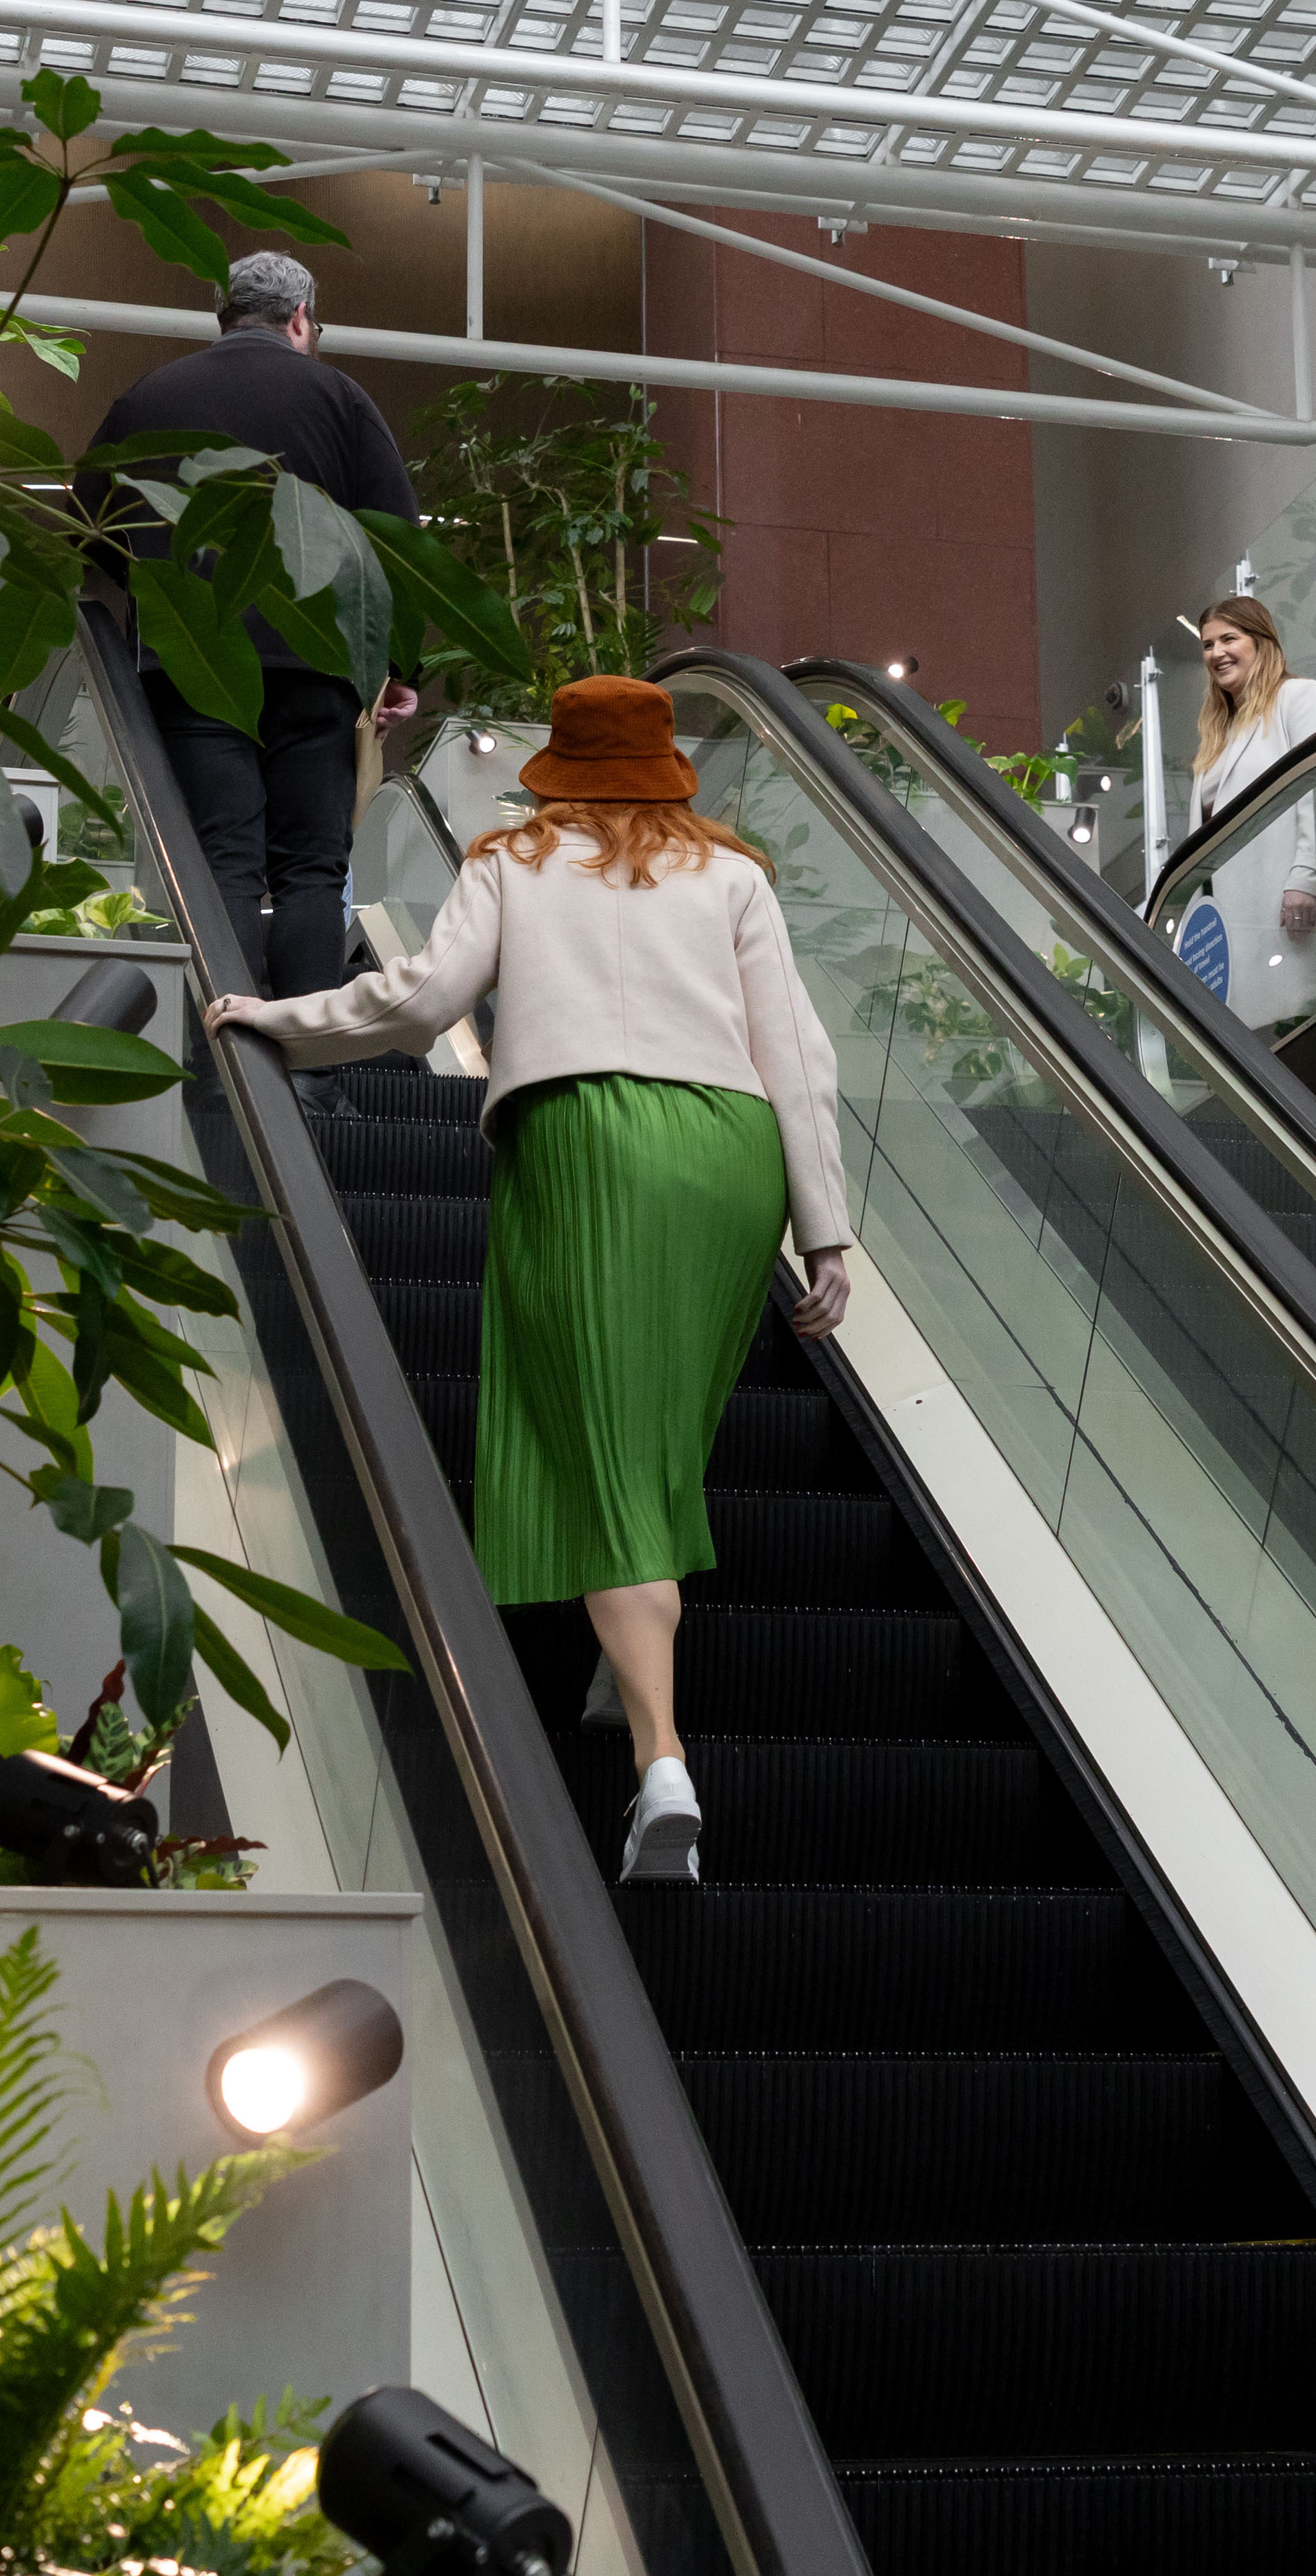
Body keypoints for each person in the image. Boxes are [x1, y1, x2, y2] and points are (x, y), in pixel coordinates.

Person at [214, 677, 849, 1887]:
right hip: (729, 1152)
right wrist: (823, 1231)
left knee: (602, 1433)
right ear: (668, 766)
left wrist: (278, 1019)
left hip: (583, 1138)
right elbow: (797, 1057)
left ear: (555, 764)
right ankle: (627, 1670)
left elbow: (421, 1000)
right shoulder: (733, 875)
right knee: (656, 1415)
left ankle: (663, 1760)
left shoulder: (516, 859)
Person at [83, 248, 423, 996]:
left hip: (193, 666)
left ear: (223, 316)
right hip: (318, 668)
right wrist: (396, 668)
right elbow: (396, 541)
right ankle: (306, 1081)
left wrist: (157, 600)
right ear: (301, 318)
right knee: (311, 867)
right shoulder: (341, 398)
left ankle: (221, 1069)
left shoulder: (148, 397)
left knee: (220, 858)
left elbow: (89, 519)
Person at [1176, 593, 1316, 1020]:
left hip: (1277, 901)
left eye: (1229, 639)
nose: (1217, 653)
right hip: (1225, 921)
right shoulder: (1218, 735)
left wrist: (1305, 876)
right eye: (1208, 645)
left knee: (1291, 1021)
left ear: (1260, 641)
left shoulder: (1300, 697)